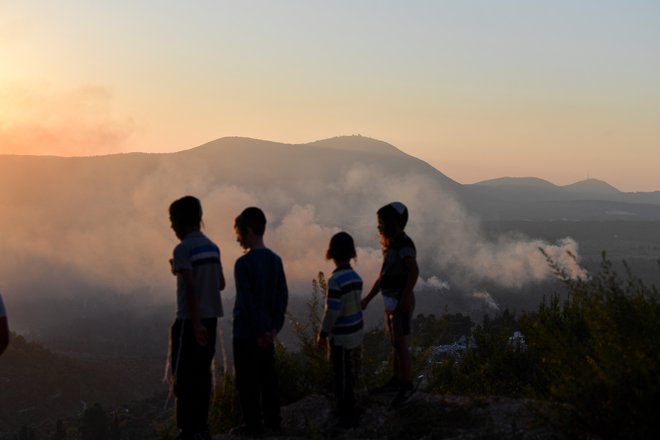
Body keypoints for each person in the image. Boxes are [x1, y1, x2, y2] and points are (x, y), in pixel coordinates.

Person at [168, 196, 225, 440]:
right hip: (211, 319)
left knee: (182, 375)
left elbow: (190, 288)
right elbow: (220, 283)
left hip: (190, 321)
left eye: (172, 221)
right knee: (202, 374)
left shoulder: (182, 249)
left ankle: (187, 429)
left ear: (180, 222)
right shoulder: (212, 246)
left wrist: (195, 322)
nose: (171, 227)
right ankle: (202, 426)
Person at [232, 207, 288, 437]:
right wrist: (273, 329)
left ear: (249, 231)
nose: (237, 238)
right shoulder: (275, 260)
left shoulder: (243, 264)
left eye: (238, 233)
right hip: (268, 333)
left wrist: (258, 332)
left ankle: (253, 426)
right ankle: (273, 421)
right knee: (268, 378)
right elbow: (281, 297)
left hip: (246, 333)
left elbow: (246, 303)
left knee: (247, 382)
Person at [361, 202, 419, 408]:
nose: (379, 227)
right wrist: (367, 299)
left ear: (394, 223)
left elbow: (413, 271)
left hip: (399, 301)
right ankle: (396, 381)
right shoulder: (392, 246)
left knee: (401, 344)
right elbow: (382, 278)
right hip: (392, 302)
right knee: (396, 342)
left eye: (382, 223)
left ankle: (406, 385)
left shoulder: (404, 244)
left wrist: (404, 298)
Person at [317, 232, 364, 428]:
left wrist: (323, 334)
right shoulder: (356, 277)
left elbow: (332, 311)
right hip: (356, 332)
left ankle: (346, 413)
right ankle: (352, 404)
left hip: (342, 336)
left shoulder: (335, 280)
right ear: (352, 253)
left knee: (341, 373)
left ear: (331, 254)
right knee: (352, 372)